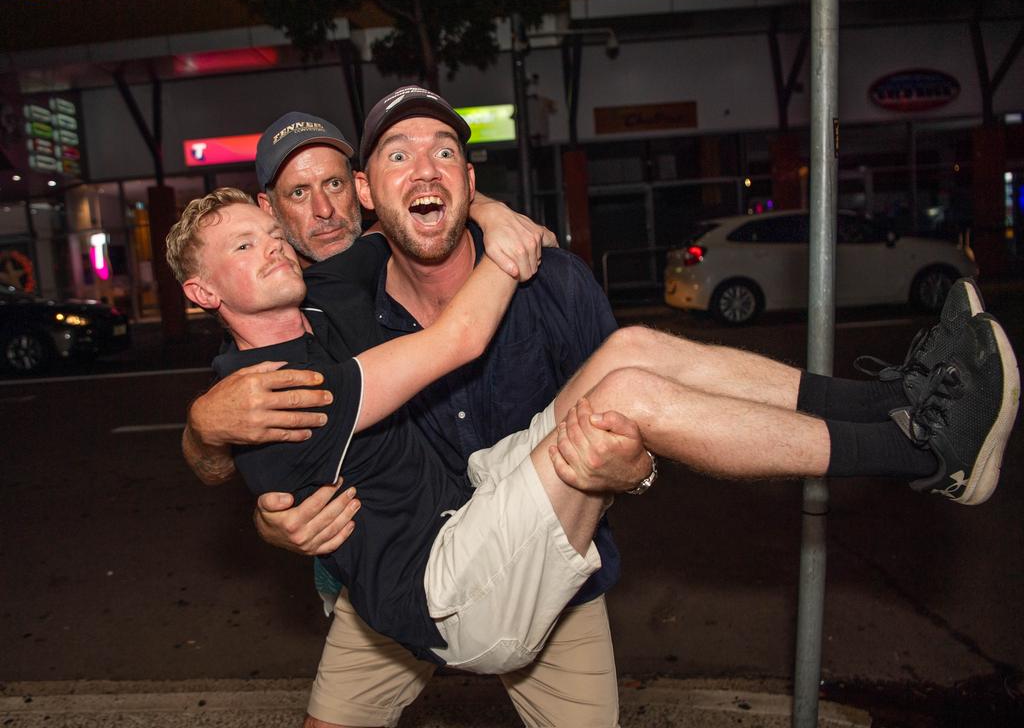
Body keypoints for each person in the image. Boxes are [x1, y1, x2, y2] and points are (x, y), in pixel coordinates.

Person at [168, 186, 1018, 700]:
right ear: (205, 289)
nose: (277, 244)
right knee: (631, 399)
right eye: (247, 246)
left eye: (271, 232)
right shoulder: (277, 389)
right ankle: (925, 454)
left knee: (632, 350)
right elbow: (458, 342)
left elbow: (393, 220)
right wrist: (506, 247)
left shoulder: (310, 313)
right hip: (449, 590)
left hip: (467, 503)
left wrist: (485, 205)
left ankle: (902, 399)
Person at [184, 93, 633, 726]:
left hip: (536, 559)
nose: (324, 210)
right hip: (391, 580)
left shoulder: (475, 264)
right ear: (269, 208)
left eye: (336, 184)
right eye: (297, 193)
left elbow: (433, 194)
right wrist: (207, 435)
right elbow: (232, 464)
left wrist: (490, 211)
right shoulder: (279, 305)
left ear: (363, 189)